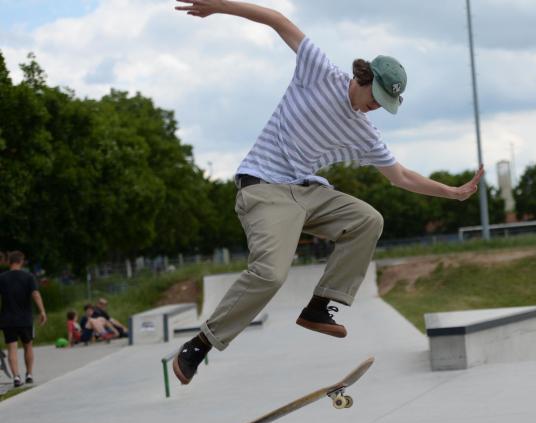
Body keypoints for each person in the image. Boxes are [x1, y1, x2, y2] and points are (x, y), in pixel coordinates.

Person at [172, 0, 485, 385]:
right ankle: (201, 344)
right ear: (364, 77)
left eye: (383, 106)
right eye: (375, 98)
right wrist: (220, 6)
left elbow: (401, 175)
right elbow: (277, 20)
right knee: (271, 274)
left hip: (309, 193)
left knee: (369, 219)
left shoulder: (365, 133)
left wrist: (453, 193)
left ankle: (320, 306)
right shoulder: (319, 70)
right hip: (264, 187)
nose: (373, 109)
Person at [0, 251, 47, 387]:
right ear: (21, 261)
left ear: (9, 262)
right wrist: (42, 311)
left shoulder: (1, 278)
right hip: (25, 319)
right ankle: (29, 374)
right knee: (28, 346)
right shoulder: (28, 277)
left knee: (12, 348)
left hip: (7, 319)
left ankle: (16, 377)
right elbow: (36, 294)